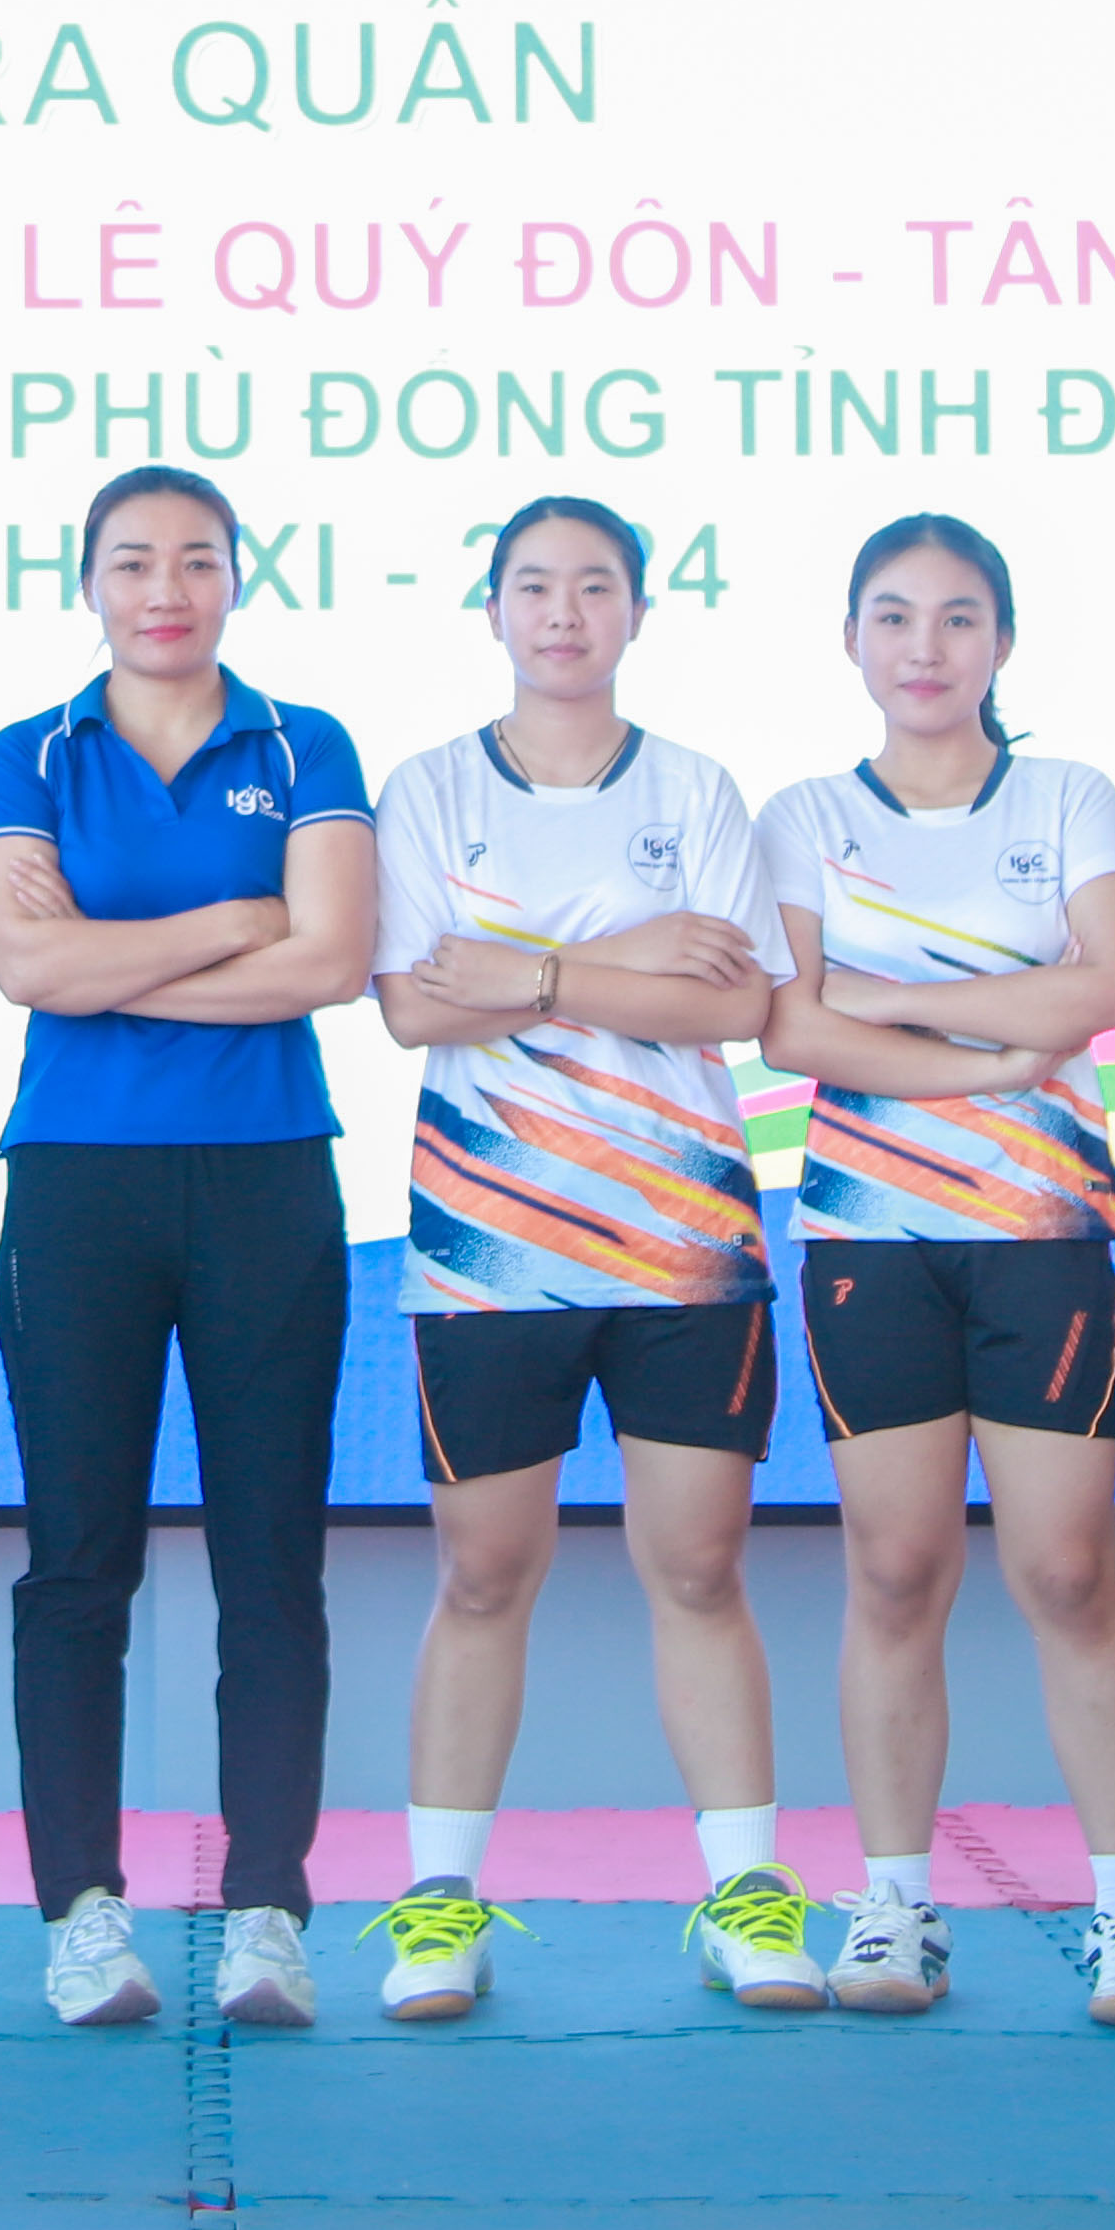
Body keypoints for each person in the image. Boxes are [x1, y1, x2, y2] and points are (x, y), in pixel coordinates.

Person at [362, 495, 810, 2020]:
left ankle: (748, 1896)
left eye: (596, 586)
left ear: (638, 611)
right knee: (484, 1573)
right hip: (489, 1251)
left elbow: (734, 1005)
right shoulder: (429, 791)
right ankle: (439, 1907)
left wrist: (534, 971)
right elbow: (416, 1005)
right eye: (536, 586)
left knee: (699, 1567)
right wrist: (631, 961)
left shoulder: (696, 788)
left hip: (684, 1246)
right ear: (492, 608)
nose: (564, 613)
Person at [756, 513, 1115, 2029]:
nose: (924, 648)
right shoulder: (806, 814)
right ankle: (894, 1904)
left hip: (1042, 1234)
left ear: (1001, 641)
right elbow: (792, 1027)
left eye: (956, 618)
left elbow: (1107, 985)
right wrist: (995, 1050)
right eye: (893, 617)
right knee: (895, 1572)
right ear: (851, 640)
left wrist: (885, 1001)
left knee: (1067, 1570)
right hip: (869, 1243)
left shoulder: (1069, 797)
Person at [0, 464, 380, 2033]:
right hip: (79, 1182)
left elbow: (330, 961)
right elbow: (27, 971)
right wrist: (232, 920)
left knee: (272, 1559)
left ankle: (269, 1908)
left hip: (267, 1177)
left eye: (196, 560)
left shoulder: (302, 743)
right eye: (133, 561)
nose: (164, 589)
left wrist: (108, 955)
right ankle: (81, 1912)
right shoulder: (28, 754)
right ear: (89, 582)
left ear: (234, 580)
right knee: (78, 1562)